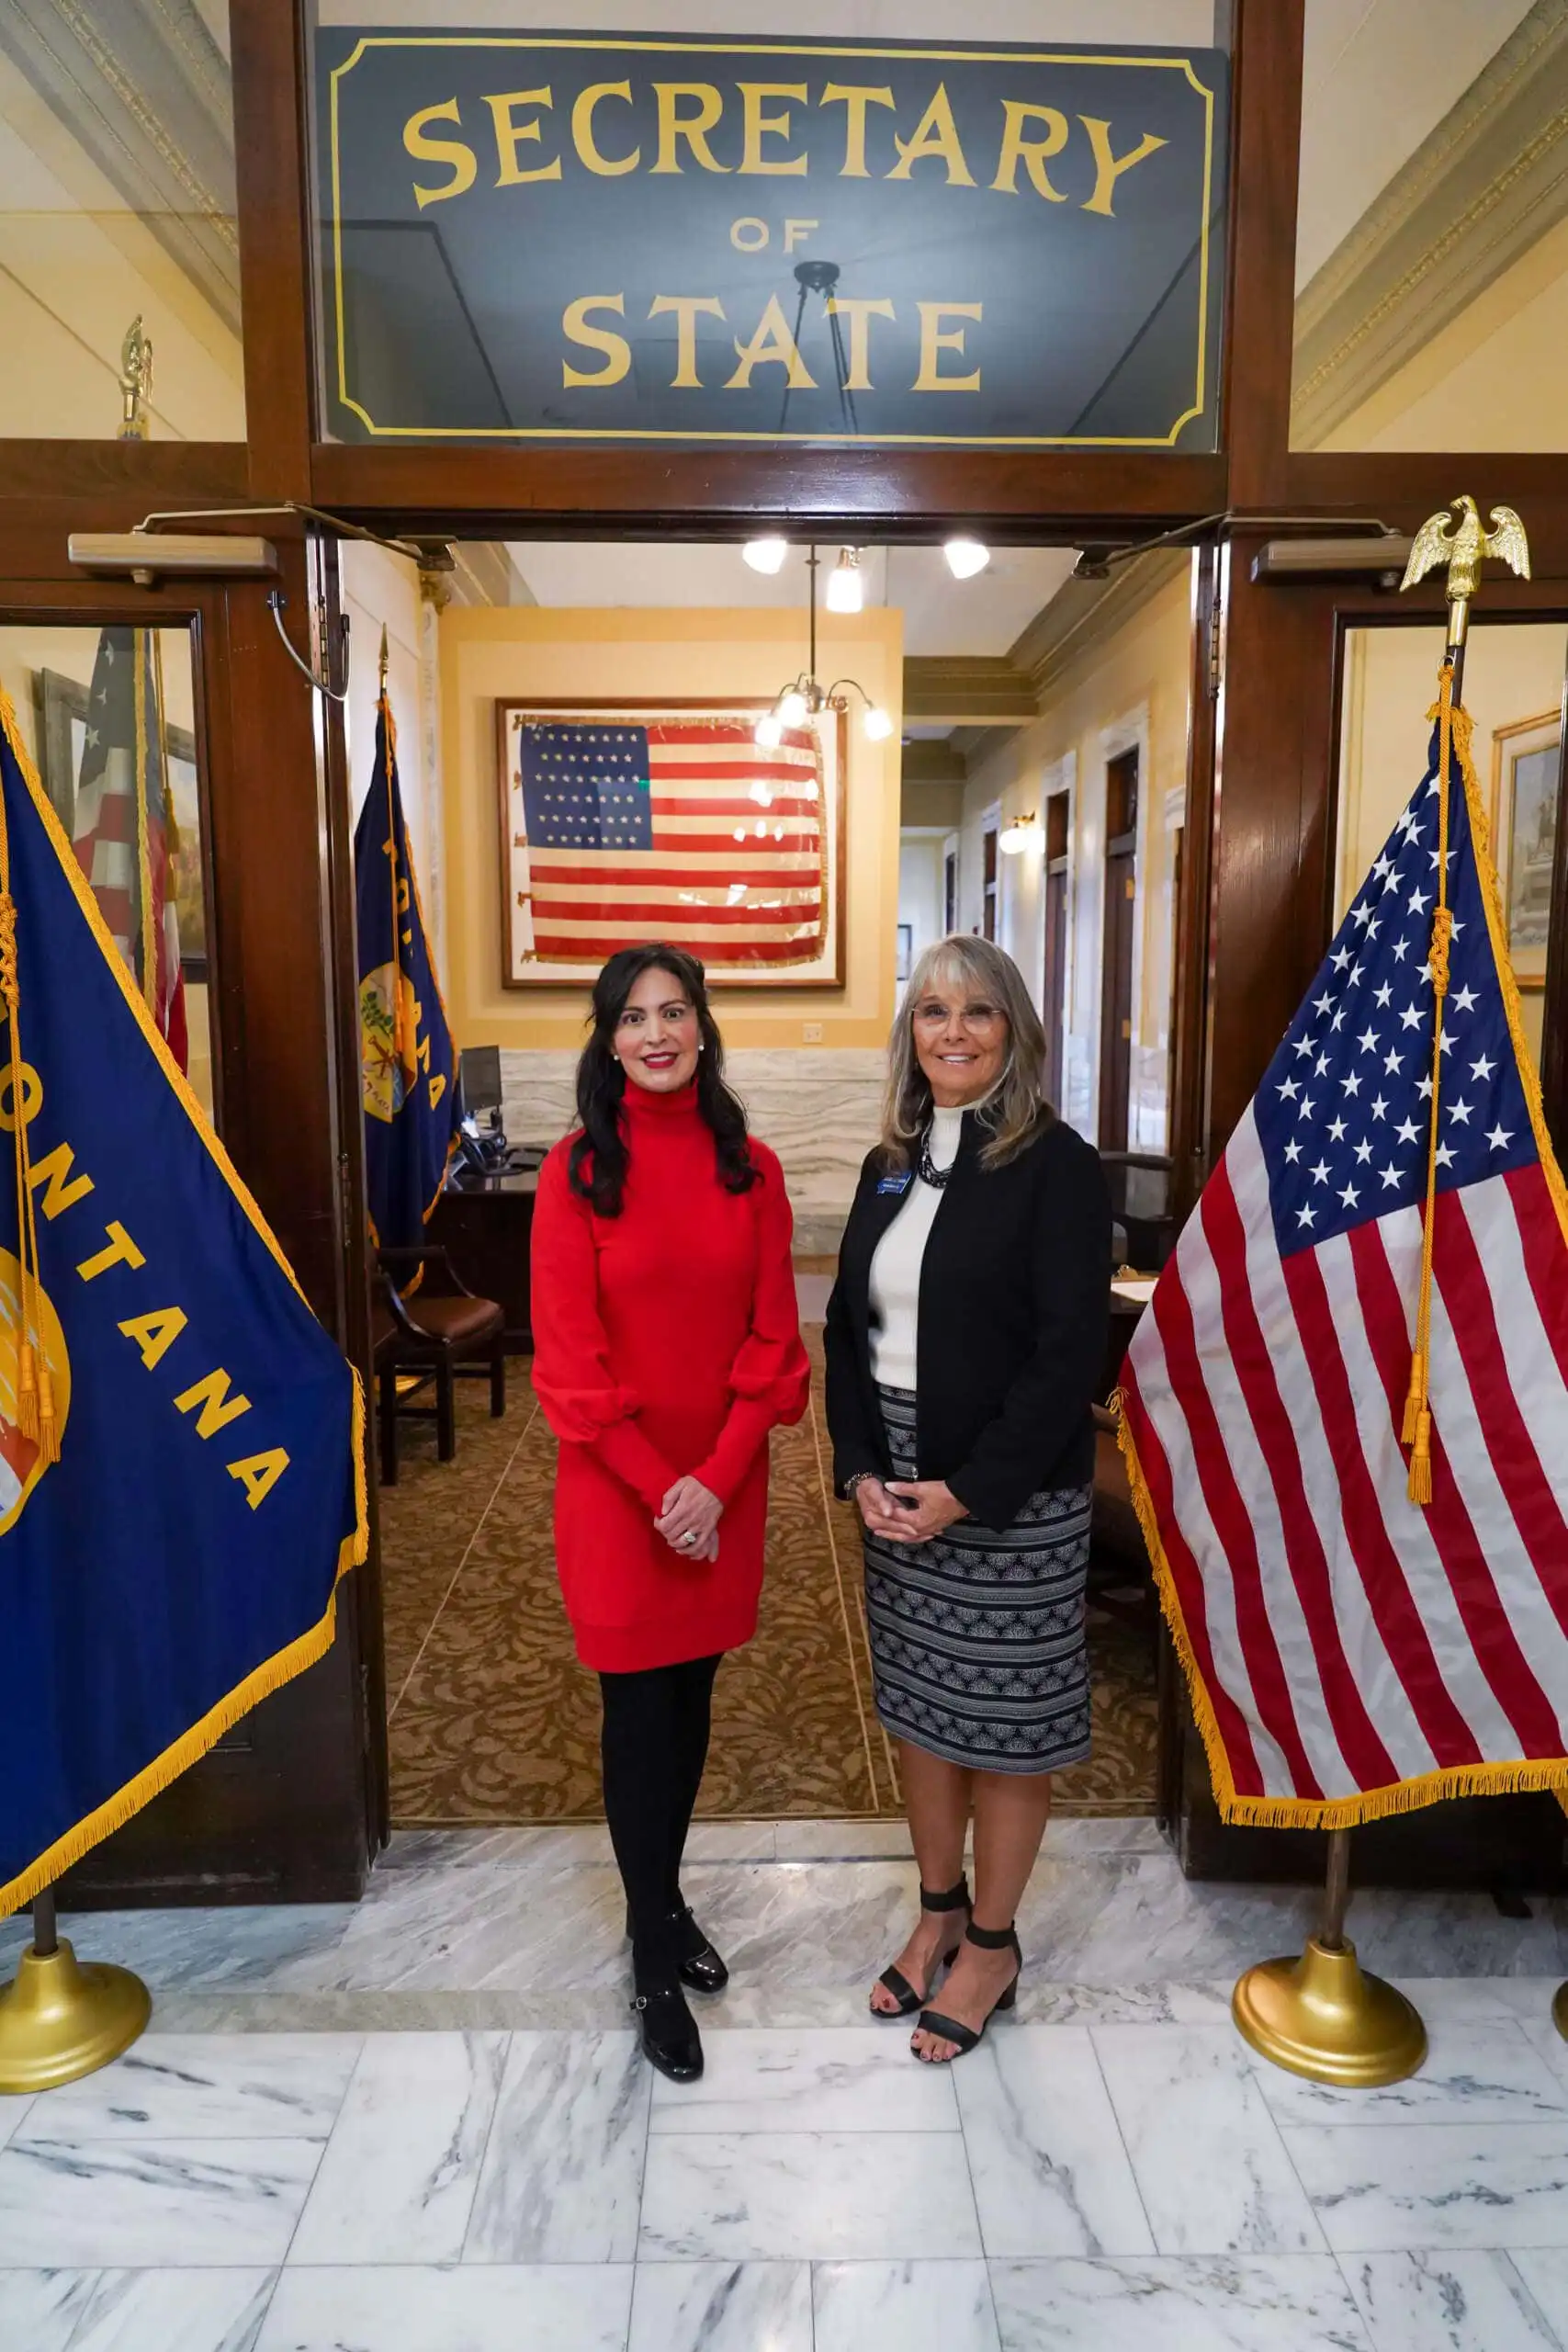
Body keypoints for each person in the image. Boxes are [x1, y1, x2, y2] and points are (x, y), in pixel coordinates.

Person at [825, 935, 1110, 2063]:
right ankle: (937, 1906)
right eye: (933, 1010)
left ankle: (991, 1940)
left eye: (977, 1012)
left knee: (1008, 1729)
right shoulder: (890, 1159)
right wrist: (858, 1467)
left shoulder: (1057, 1166)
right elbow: (850, 1328)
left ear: (1015, 1032)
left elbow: (1067, 1355)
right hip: (895, 1479)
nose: (952, 1030)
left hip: (1009, 1490)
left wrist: (969, 1492)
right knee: (924, 1714)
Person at [530, 944, 809, 2083]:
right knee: (637, 1716)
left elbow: (776, 1345)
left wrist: (716, 1479)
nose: (656, 1034)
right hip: (618, 1499)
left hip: (721, 1496)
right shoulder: (573, 1172)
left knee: (690, 1705)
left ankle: (664, 1896)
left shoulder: (758, 1169)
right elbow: (569, 1367)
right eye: (632, 1017)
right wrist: (663, 1490)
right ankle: (650, 1948)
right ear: (606, 1039)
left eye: (675, 1012)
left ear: (703, 1026)